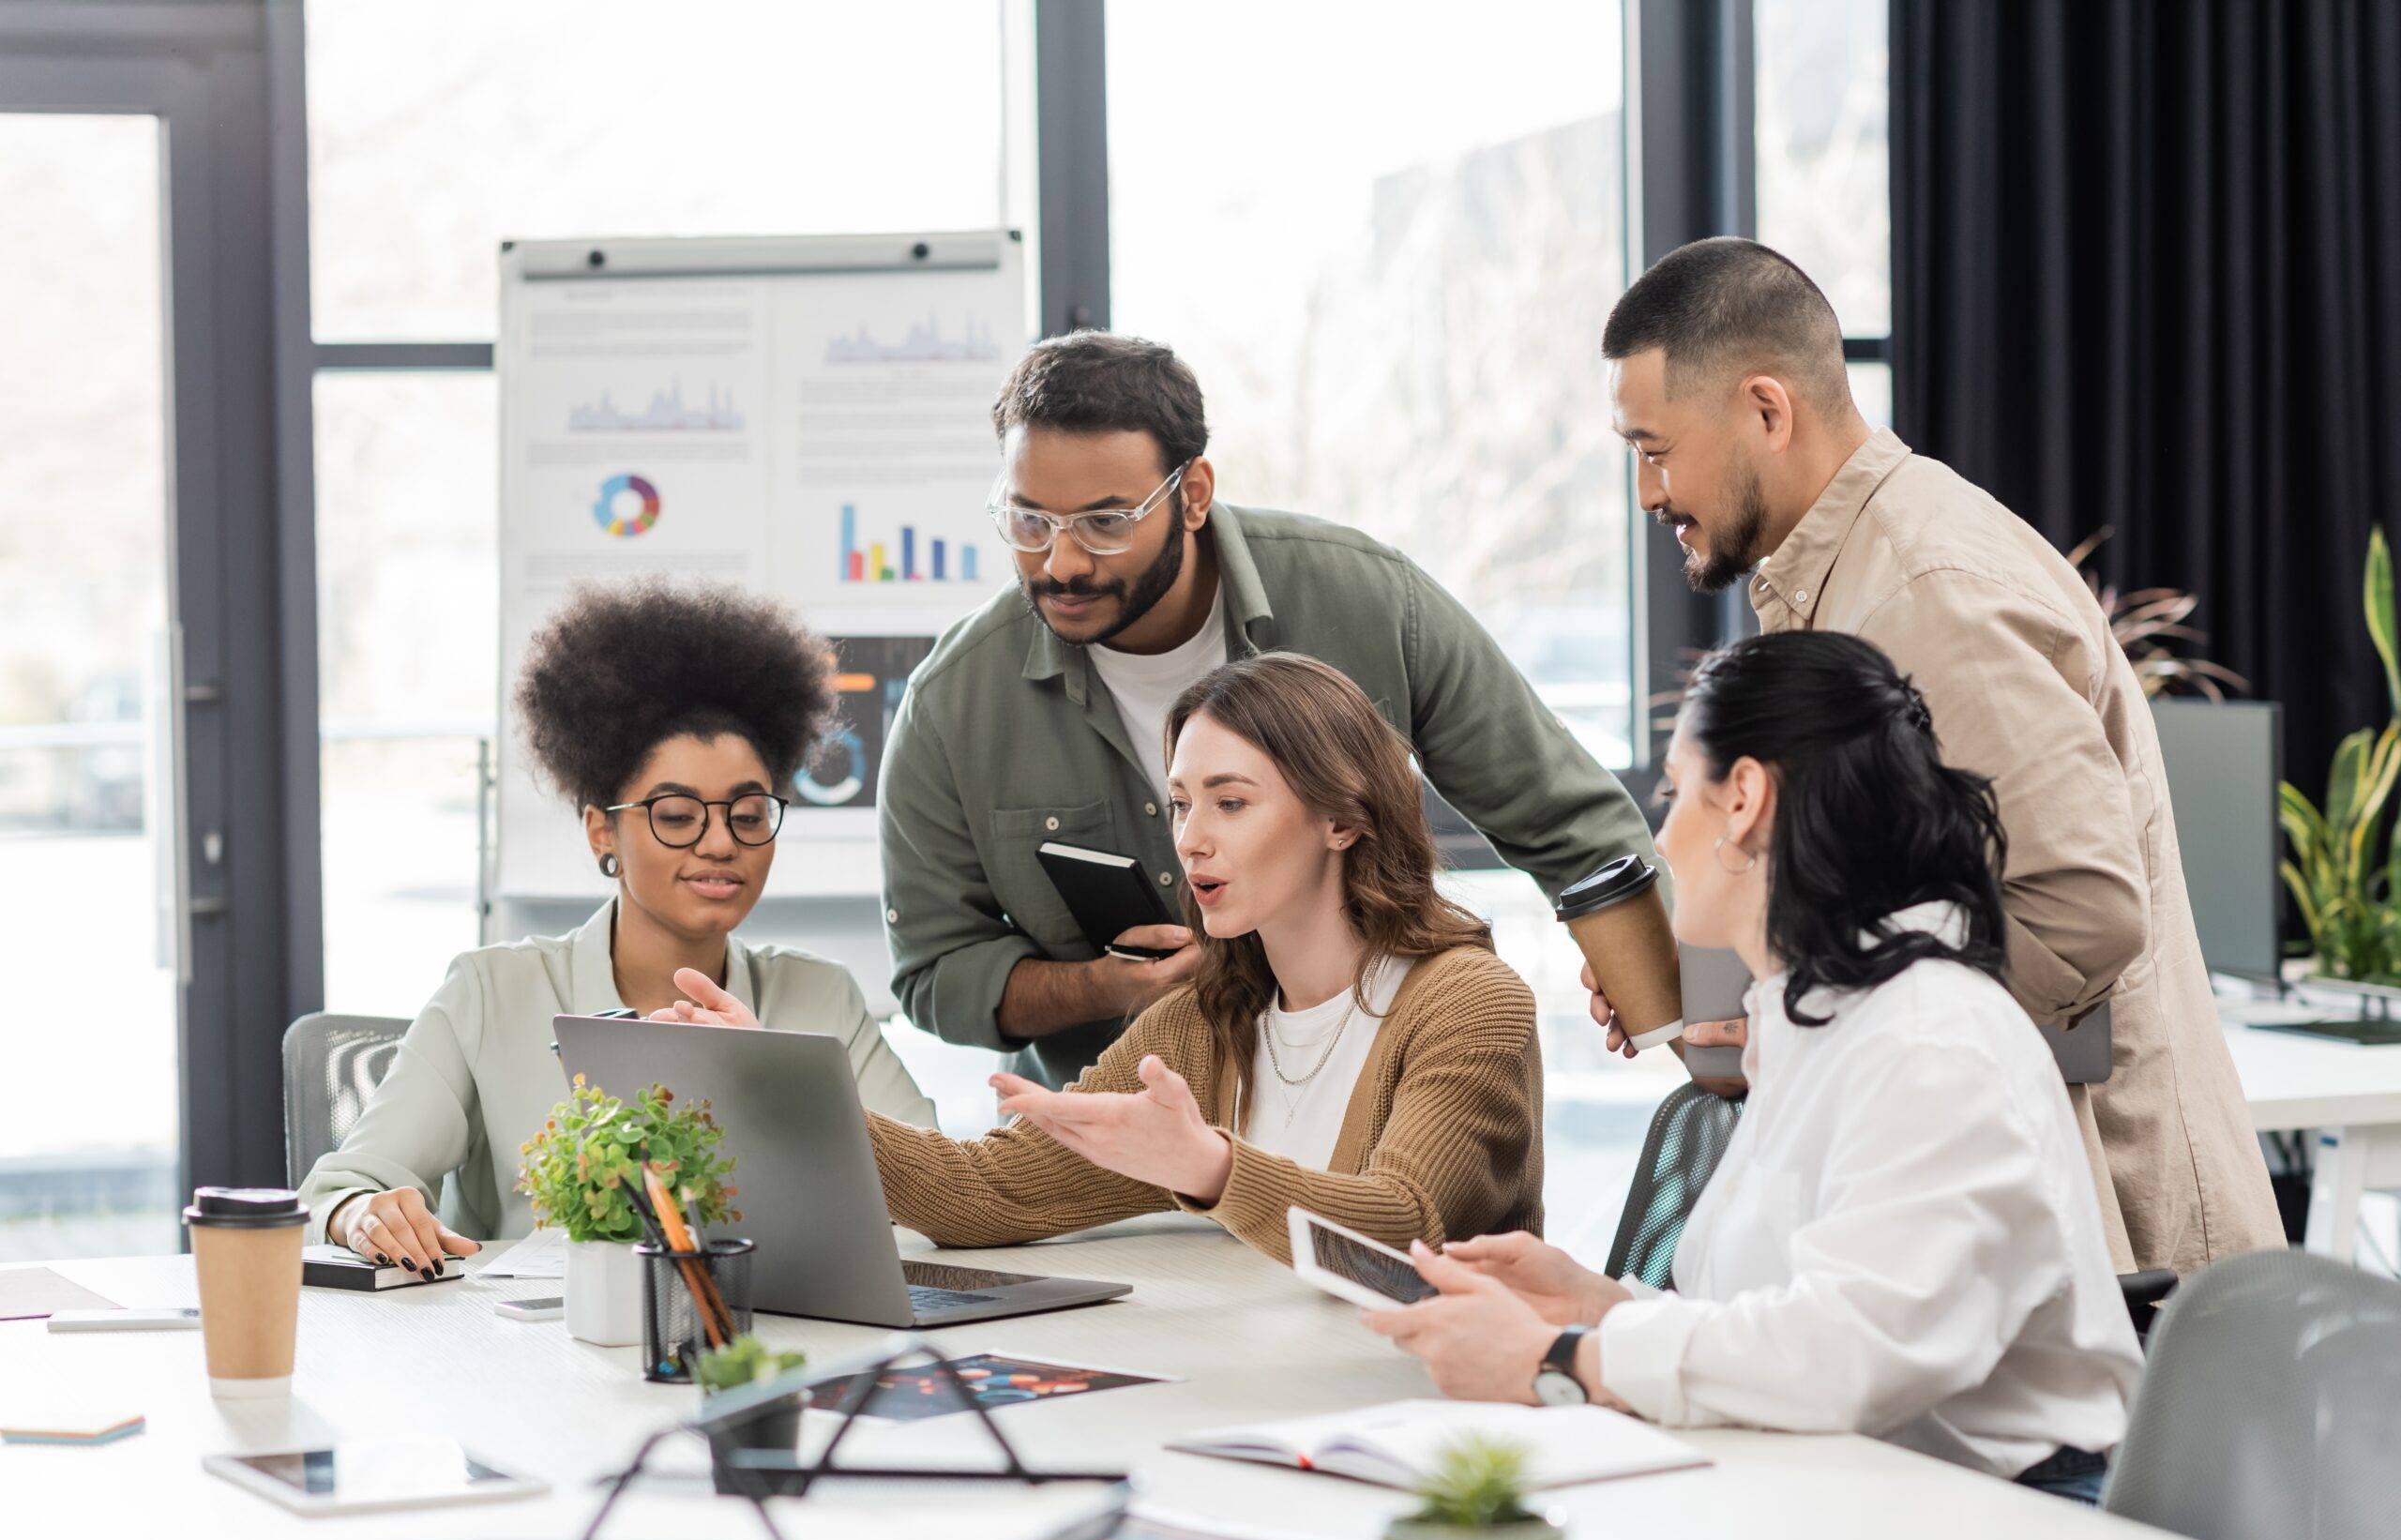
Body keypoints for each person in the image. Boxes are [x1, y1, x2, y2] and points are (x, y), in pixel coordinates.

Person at [1586, 236, 2281, 1279]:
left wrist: (1802, 1010)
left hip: (2107, 1224)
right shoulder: (1844, 575)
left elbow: (2081, 910)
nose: (1647, 492)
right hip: (1999, 1194)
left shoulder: (1925, 590)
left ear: (1766, 412)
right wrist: (1736, 975)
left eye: (1654, 448)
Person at [1368, 630, 2144, 1504]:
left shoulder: (1931, 1041)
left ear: (1742, 798)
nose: (1661, 835)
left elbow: (1850, 1356)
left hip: (2005, 1521)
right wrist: (1596, 1305)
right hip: (1863, 1493)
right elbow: (1779, 1328)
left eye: (1672, 791)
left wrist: (1560, 1360)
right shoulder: (1821, 1022)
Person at [877, 331, 1659, 1089]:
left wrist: (1676, 991)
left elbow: (1569, 820)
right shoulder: (954, 702)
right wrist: (1103, 989)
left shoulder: (1365, 599)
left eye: (1106, 523)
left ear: (1192, 496)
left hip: (1372, 1101)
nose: (1064, 561)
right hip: (1122, 1144)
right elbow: (934, 971)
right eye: (1029, 521)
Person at [653, 653, 1544, 1261]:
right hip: (1258, 1396)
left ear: (1343, 819)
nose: (1190, 840)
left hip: (1420, 1426)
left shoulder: (1466, 1000)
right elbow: (991, 1192)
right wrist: (782, 1085)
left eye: (1231, 803)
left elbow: (1407, 1224)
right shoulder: (1208, 1018)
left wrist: (1208, 1167)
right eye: (1182, 803)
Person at [296, 581, 936, 1272]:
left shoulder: (821, 998)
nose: (720, 843)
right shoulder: (490, 991)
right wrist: (362, 1212)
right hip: (532, 1354)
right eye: (677, 813)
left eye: (747, 814)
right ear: (602, 827)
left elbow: (937, 1188)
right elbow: (343, 1189)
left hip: (768, 1342)